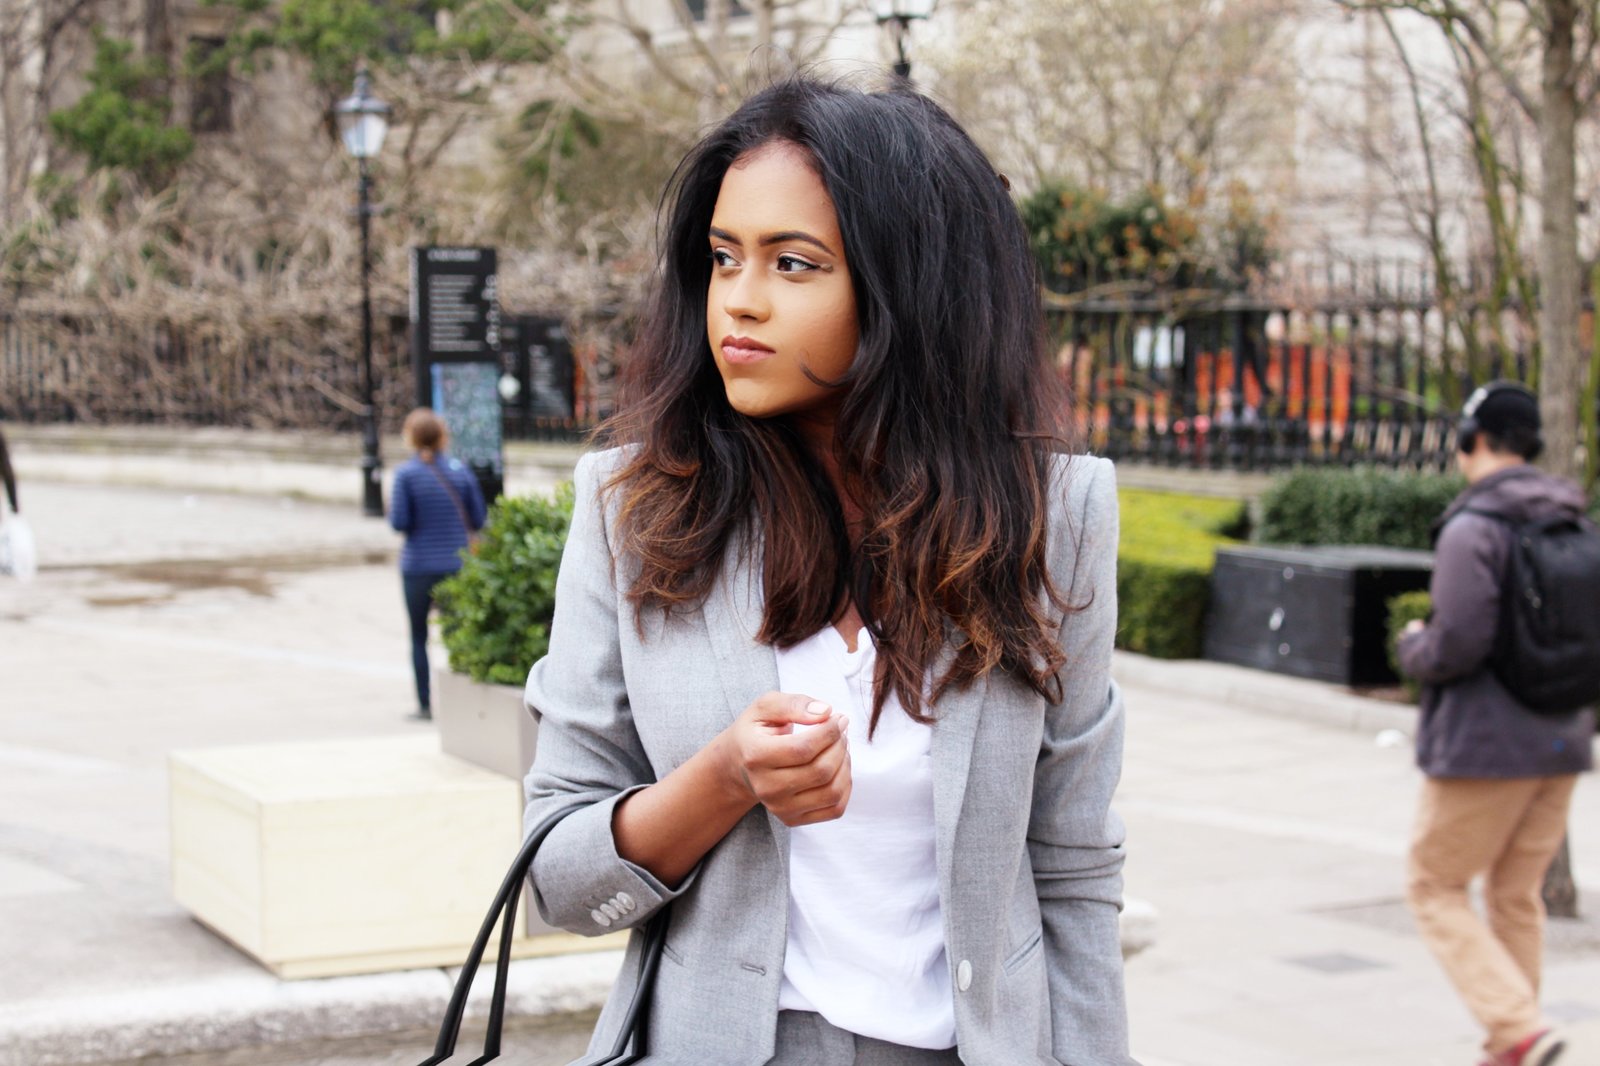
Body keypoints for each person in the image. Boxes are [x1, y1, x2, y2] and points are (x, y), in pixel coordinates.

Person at [520, 77, 1131, 1064]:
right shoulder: (632, 510)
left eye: (793, 263)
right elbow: (556, 875)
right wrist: (723, 777)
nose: (740, 300)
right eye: (723, 258)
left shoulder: (1055, 516)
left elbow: (1071, 862)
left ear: (908, 285)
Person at [1397, 381, 1595, 1066]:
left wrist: (1413, 642)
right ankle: (1516, 1042)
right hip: (1563, 737)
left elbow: (1459, 643)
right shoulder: (1573, 520)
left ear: (1472, 440)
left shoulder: (1473, 528)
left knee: (1433, 884)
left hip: (1487, 744)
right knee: (1515, 895)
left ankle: (1519, 1029)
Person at [389, 407, 486, 720]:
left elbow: (399, 522)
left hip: (417, 566)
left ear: (411, 438)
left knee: (419, 636)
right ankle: (464, 705)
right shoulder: (461, 471)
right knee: (459, 635)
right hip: (457, 565)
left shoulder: (406, 475)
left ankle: (425, 705)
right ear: (443, 436)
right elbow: (480, 517)